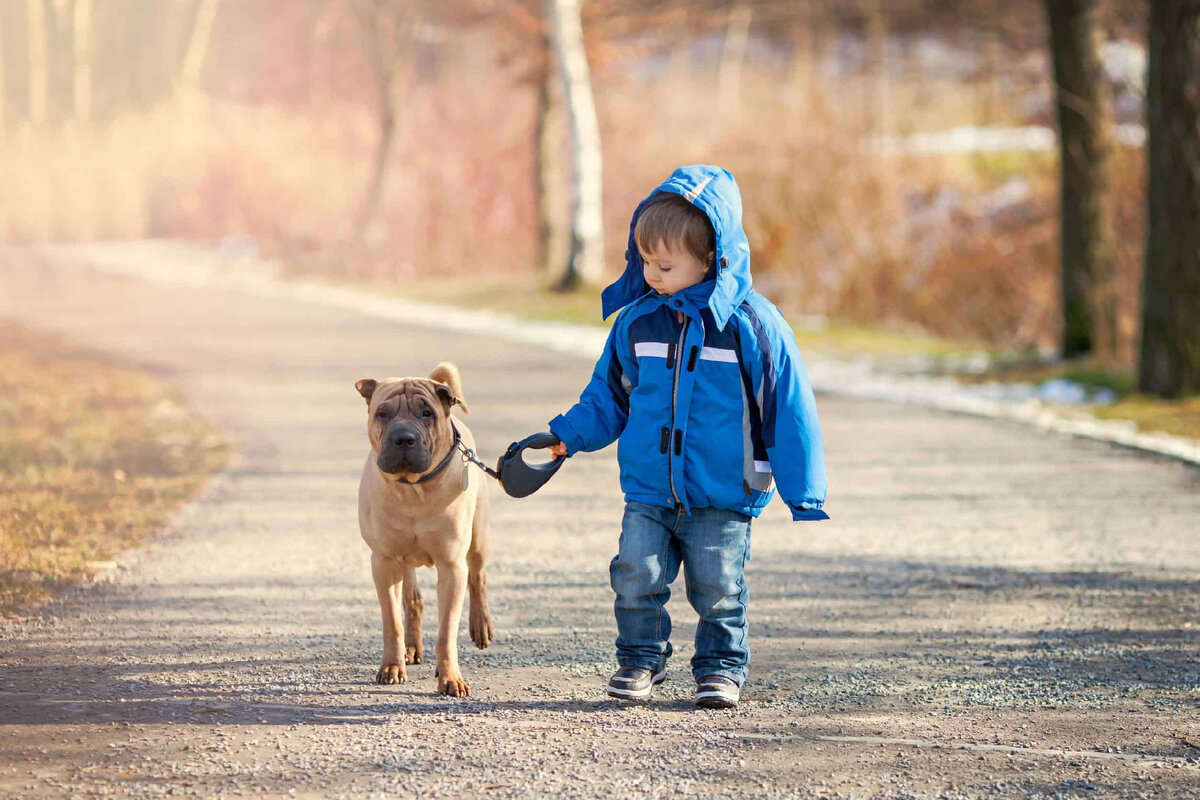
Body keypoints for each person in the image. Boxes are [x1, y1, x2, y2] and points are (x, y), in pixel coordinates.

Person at [540, 165, 828, 709]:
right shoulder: (637, 324)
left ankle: (720, 667)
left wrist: (803, 489)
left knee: (718, 590)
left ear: (712, 259)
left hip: (722, 493)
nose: (651, 273)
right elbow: (608, 397)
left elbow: (788, 406)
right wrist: (564, 437)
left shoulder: (752, 326)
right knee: (634, 575)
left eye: (665, 265)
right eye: (645, 260)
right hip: (649, 488)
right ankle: (640, 660)